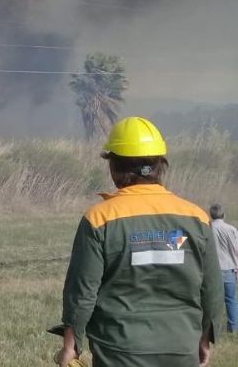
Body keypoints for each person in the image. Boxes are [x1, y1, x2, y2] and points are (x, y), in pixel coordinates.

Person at [57, 117, 223, 367]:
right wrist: (204, 340)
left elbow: (82, 292)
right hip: (180, 348)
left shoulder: (99, 218)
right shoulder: (197, 217)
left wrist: (71, 346)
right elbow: (212, 289)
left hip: (119, 352)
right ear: (160, 166)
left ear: (114, 168)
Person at [210, 203, 238, 333]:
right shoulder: (232, 229)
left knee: (215, 302)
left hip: (214, 271)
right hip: (230, 269)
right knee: (231, 300)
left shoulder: (209, 229)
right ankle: (233, 328)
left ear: (211, 215)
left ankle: (215, 329)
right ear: (224, 215)